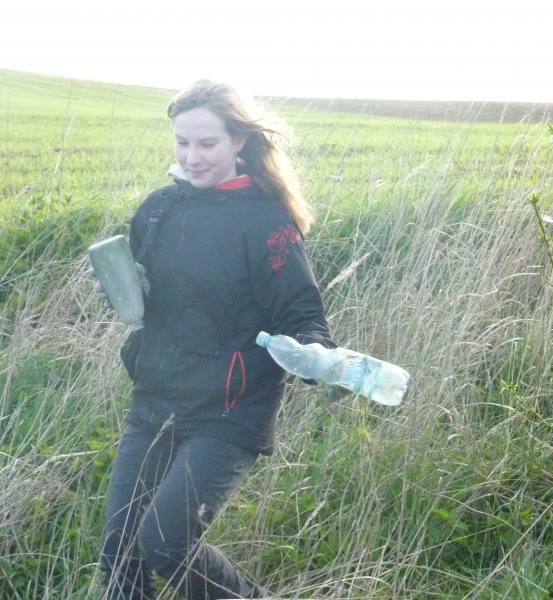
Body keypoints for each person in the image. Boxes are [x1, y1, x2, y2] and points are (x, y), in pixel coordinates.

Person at [97, 79, 335, 599]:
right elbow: (143, 299)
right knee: (119, 555)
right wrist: (125, 290)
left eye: (207, 144)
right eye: (183, 142)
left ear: (238, 141)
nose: (193, 157)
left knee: (165, 543)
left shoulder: (265, 220)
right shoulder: (158, 210)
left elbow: (301, 312)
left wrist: (317, 355)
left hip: (229, 410)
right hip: (156, 400)